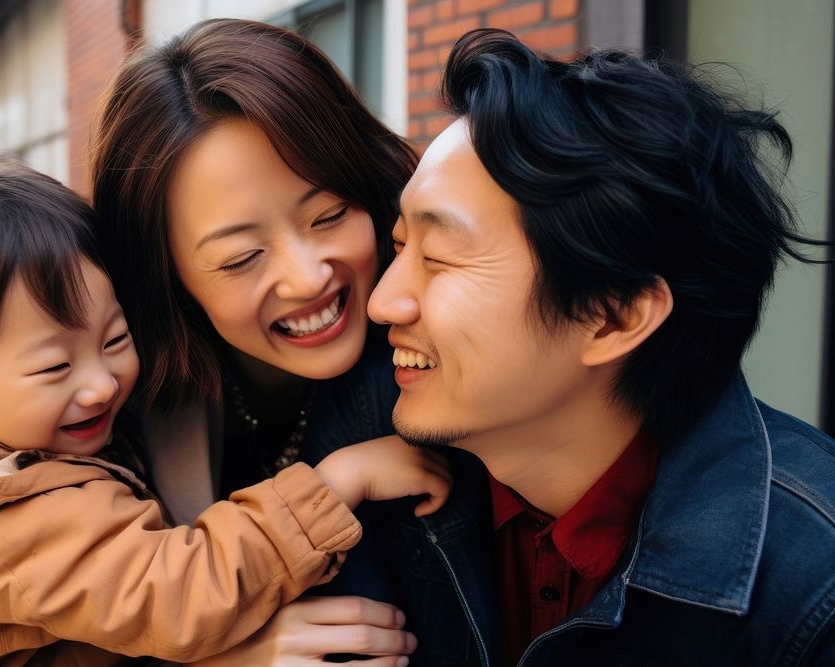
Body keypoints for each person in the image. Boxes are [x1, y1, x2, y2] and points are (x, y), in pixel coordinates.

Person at [328, 29, 835, 666]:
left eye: (440, 257)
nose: (381, 303)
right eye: (401, 248)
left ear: (611, 317)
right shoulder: (370, 466)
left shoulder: (813, 587)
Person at [0, 157, 451, 665]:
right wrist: (339, 482)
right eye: (54, 367)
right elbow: (181, 593)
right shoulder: (17, 513)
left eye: (114, 339)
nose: (101, 384)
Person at [89, 18, 424, 663]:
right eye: (241, 258)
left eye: (329, 215)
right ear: (165, 274)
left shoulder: (445, 355)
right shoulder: (97, 408)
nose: (308, 278)